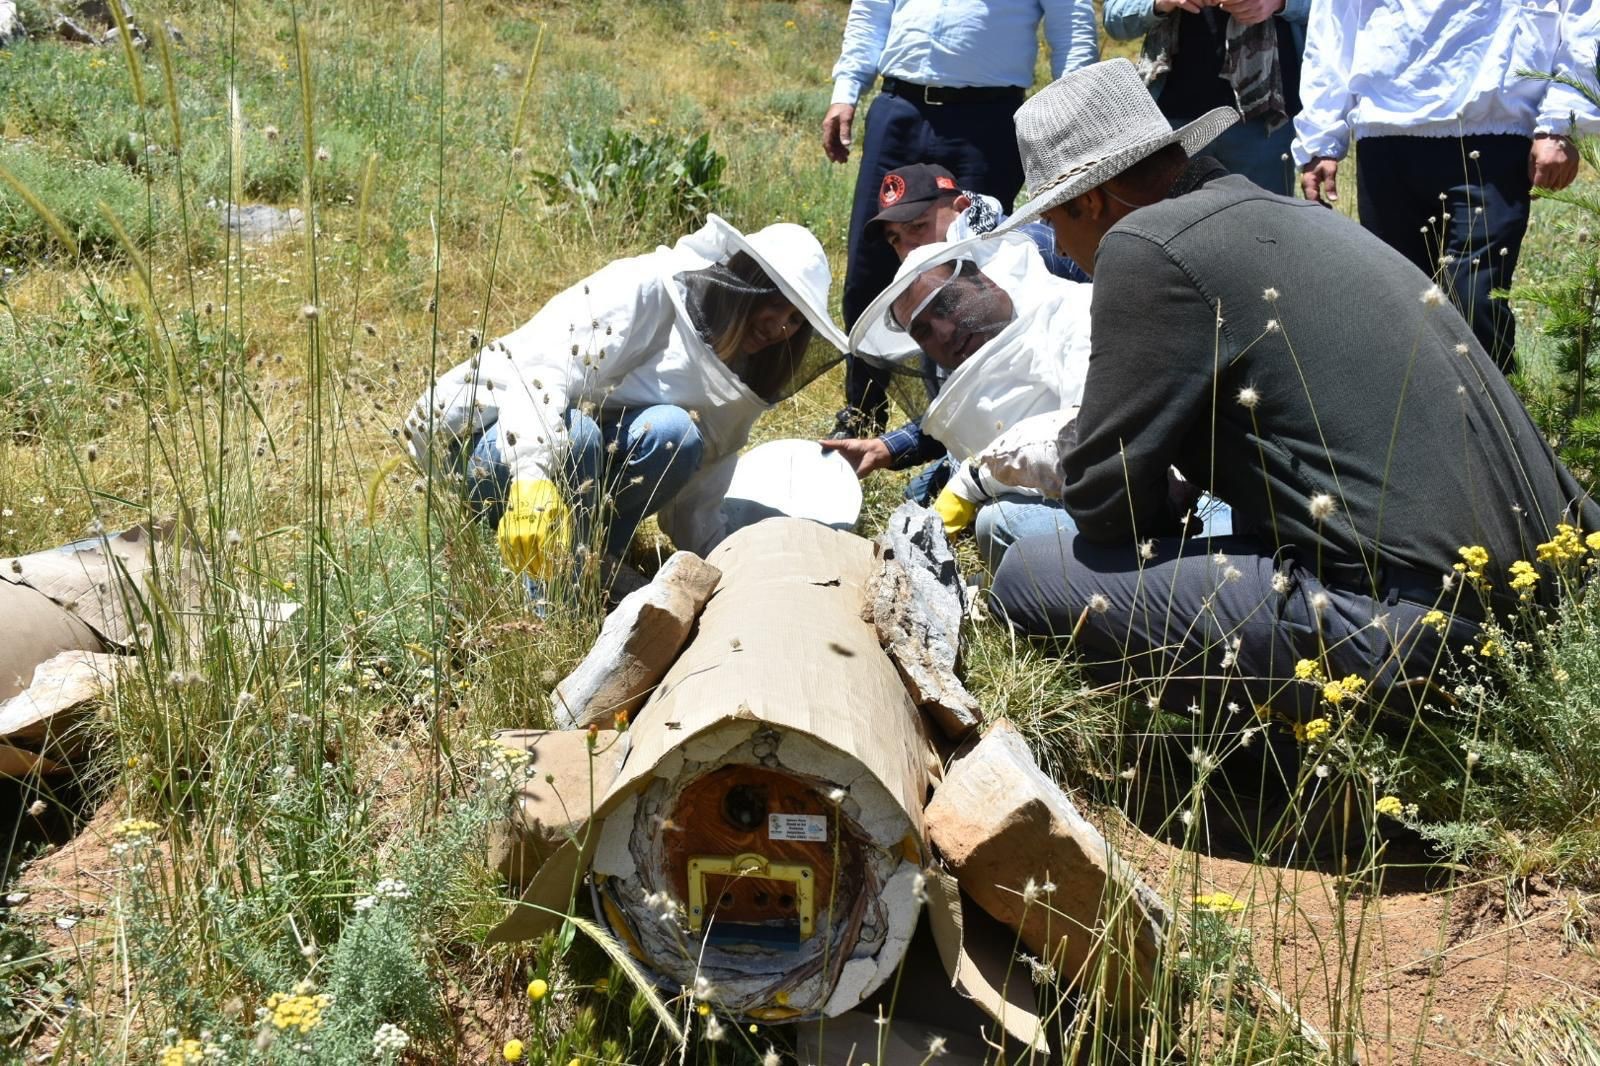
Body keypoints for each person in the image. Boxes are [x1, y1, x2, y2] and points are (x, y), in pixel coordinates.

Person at [986, 59, 1598, 732]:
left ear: (1090, 201)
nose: (1066, 254)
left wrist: (1100, 455)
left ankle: (1247, 761)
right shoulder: (1297, 217)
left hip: (1422, 637)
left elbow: (1107, 507)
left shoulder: (1143, 242)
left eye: (1056, 222)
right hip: (1559, 604)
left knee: (1026, 571)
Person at [403, 216, 846, 597]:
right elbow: (535, 372)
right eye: (774, 303)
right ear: (745, 282)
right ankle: (545, 605)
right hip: (488, 448)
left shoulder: (742, 374)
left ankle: (591, 563)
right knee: (578, 437)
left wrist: (737, 570)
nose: (780, 327)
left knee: (674, 434)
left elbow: (698, 499)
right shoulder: (648, 287)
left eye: (795, 319)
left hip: (579, 469)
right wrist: (531, 483)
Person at [824, 0, 1100, 437]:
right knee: (870, 268)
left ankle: (958, 429)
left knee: (971, 273)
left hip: (985, 118)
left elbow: (1072, 23)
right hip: (900, 105)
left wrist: (1074, 117)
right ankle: (863, 414)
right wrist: (846, 90)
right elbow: (872, 9)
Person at [1292, 0, 1598, 372]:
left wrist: (1560, 122)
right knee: (1398, 309)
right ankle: (1413, 427)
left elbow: (1583, 13)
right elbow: (1334, 23)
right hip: (1384, 128)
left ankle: (1498, 424)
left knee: (1476, 304)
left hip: (1493, 124)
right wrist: (1321, 136)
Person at [824, 163, 1089, 506]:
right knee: (915, 499)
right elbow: (970, 399)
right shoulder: (930, 300)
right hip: (993, 448)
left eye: (917, 227)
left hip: (1073, 449)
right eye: (895, 240)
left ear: (962, 209)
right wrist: (888, 447)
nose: (907, 250)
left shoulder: (1038, 254)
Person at [842, 233, 1094, 570]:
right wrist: (883, 448)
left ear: (984, 280)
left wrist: (972, 482)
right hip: (1089, 507)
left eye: (947, 303)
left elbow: (1089, 446)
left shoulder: (1079, 314)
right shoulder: (976, 367)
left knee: (1000, 521)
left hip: (1150, 508)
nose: (944, 331)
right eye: (923, 331)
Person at [1103, 0, 1310, 196]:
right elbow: (1115, 18)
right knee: (1174, 230)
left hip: (1265, 125)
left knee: (1264, 229)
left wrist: (1280, 3)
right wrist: (1161, 3)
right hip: (1175, 127)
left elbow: (1334, 12)